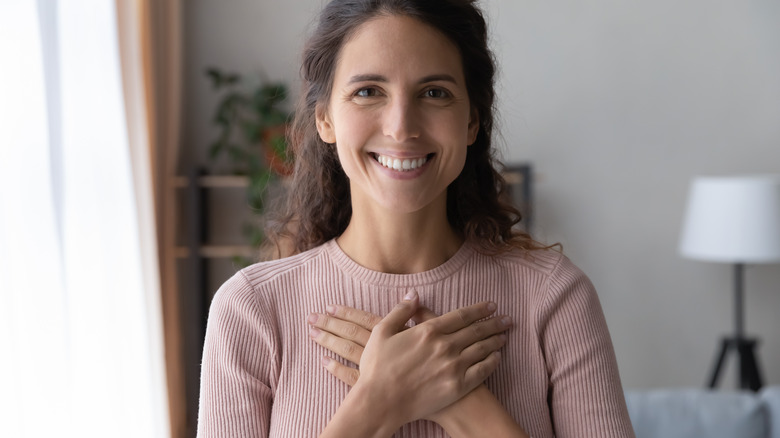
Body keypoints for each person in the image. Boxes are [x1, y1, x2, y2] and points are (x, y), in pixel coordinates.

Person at [197, 0, 636, 437]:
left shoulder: (554, 296)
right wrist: (378, 401)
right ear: (325, 118)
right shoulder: (252, 310)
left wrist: (463, 402)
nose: (401, 126)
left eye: (434, 93)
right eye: (368, 91)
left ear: (472, 122)